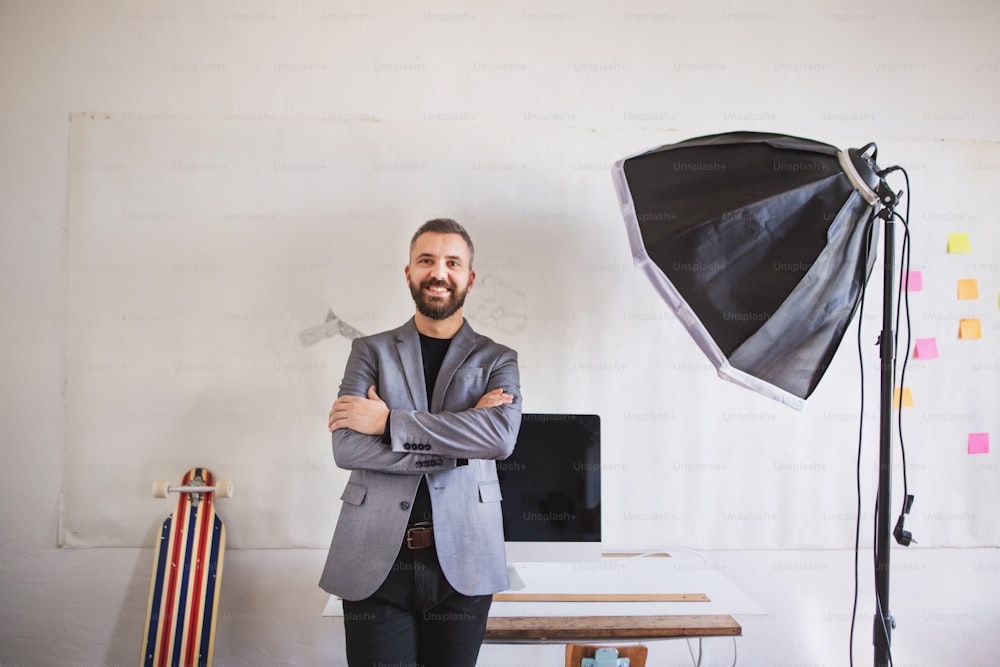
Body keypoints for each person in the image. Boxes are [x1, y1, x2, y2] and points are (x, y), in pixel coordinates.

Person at [320, 218, 522, 667]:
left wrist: (390, 422)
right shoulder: (369, 352)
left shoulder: (497, 359)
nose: (439, 272)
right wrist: (460, 440)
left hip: (466, 560)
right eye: (426, 260)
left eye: (452, 262)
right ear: (408, 272)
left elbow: (499, 438)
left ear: (469, 278)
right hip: (376, 563)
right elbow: (347, 448)